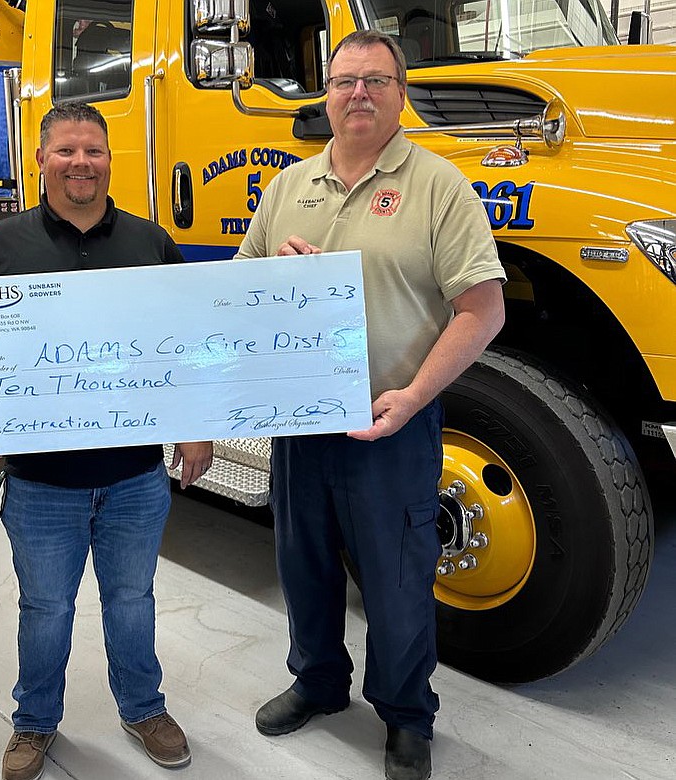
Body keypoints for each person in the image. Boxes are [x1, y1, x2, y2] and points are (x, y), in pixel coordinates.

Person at [235, 31, 506, 780]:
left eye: (375, 81)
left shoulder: (438, 186)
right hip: (301, 421)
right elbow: (236, 290)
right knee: (304, 563)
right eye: (345, 79)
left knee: (395, 577)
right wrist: (273, 277)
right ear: (325, 90)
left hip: (390, 422)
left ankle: (406, 713)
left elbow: (483, 310)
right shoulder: (288, 186)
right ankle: (318, 683)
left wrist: (416, 395)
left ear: (400, 91)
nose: (358, 93)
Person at [0, 102, 212, 780]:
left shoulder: (150, 244)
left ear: (110, 159)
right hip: (39, 483)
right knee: (45, 608)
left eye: (93, 150)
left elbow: (191, 344)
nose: (80, 162)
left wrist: (199, 426)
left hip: (134, 478)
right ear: (39, 160)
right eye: (65, 150)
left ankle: (143, 708)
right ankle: (35, 723)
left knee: (132, 599)